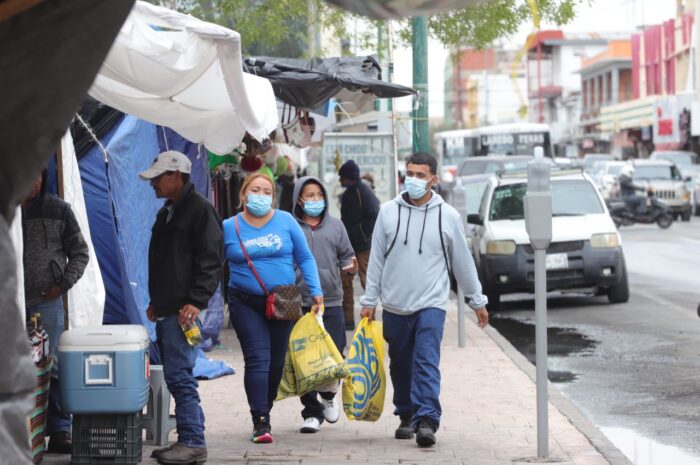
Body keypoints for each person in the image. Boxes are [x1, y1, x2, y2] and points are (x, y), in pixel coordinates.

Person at [359, 152, 489, 448]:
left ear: (433, 179)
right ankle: (406, 413)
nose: (413, 179)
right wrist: (369, 301)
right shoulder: (389, 212)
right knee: (400, 364)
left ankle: (427, 420)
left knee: (426, 361)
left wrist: (477, 300)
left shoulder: (449, 217)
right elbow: (376, 258)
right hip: (394, 305)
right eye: (410, 173)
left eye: (420, 175)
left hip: (431, 304)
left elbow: (462, 263)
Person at [224, 172, 323, 443]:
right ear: (244, 194)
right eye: (255, 190)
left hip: (286, 298)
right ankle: (261, 420)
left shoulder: (286, 221)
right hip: (244, 300)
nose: (262, 195)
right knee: (258, 359)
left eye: (267, 191)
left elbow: (304, 257)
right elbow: (211, 263)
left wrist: (316, 291)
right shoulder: (229, 226)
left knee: (277, 363)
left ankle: (264, 406)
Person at [140, 151, 223, 465]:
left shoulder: (199, 210)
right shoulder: (168, 212)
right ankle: (190, 438)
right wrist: (156, 302)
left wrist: (196, 300)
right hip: (168, 310)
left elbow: (210, 261)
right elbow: (167, 262)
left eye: (158, 177)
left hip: (183, 312)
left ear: (177, 175)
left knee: (180, 376)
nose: (154, 184)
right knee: (177, 375)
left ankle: (192, 441)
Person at [22, 168, 89, 454]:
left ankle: (60, 430)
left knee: (52, 364)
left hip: (46, 301)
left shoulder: (59, 210)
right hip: (10, 303)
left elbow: (80, 252)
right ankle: (22, 431)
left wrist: (61, 285)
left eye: (38, 175)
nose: (33, 181)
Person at [292, 176, 357, 434]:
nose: (315, 200)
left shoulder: (336, 226)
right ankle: (311, 411)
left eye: (319, 195)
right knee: (303, 360)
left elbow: (347, 255)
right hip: (298, 303)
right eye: (310, 195)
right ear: (299, 198)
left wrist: (350, 266)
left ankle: (329, 396)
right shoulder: (290, 226)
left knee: (334, 353)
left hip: (331, 301)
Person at [338, 160, 380, 330]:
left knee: (366, 282)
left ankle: (371, 318)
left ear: (348, 178)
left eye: (342, 177)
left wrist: (362, 234)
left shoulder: (364, 192)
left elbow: (374, 215)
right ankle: (348, 320)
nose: (340, 181)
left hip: (363, 246)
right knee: (345, 282)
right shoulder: (349, 194)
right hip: (349, 246)